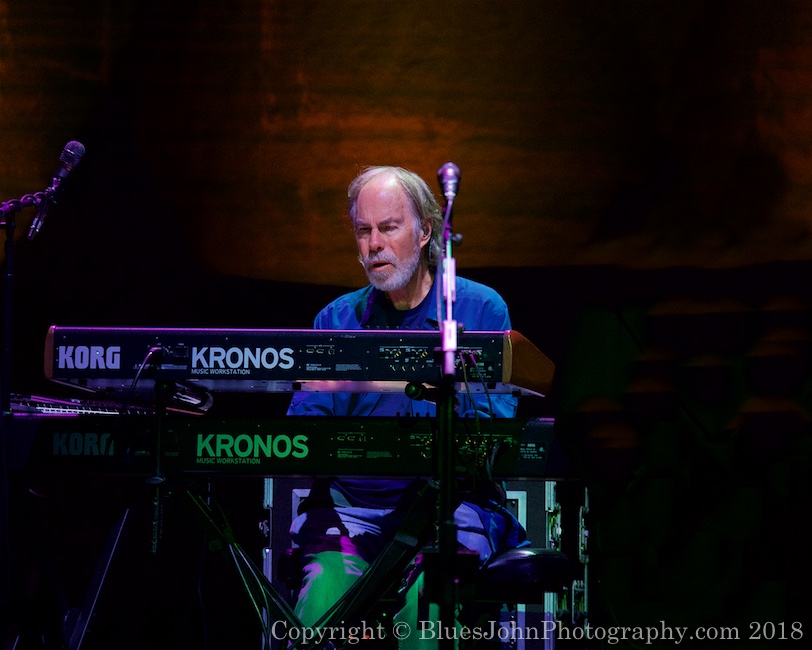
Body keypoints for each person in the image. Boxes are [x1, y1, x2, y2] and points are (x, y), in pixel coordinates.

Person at [286, 165, 526, 647]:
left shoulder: (479, 310)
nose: (373, 244)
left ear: (425, 232)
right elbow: (303, 434)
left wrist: (383, 382)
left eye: (388, 227)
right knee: (319, 601)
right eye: (363, 230)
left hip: (454, 506)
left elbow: (494, 429)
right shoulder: (334, 318)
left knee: (431, 607)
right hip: (352, 509)